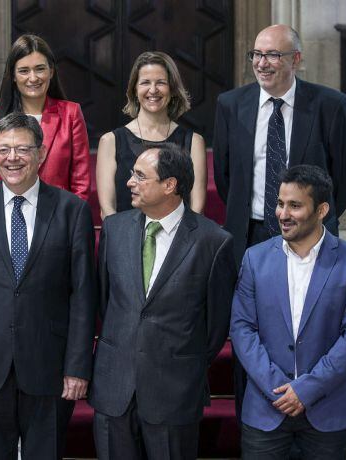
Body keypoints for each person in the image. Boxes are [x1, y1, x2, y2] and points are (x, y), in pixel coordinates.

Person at [212, 24, 346, 428]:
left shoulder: (330, 104)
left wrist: (309, 222)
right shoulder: (231, 104)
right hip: (252, 236)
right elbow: (227, 177)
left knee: (315, 330)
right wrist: (262, 217)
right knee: (254, 336)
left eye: (273, 55)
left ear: (296, 59)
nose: (263, 63)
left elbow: (345, 175)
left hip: (309, 237)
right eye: (257, 54)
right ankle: (260, 431)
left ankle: (315, 425)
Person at [0, 113, 96, 459]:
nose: (11, 157)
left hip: (50, 364)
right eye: (3, 149)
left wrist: (77, 366)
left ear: (41, 154)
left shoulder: (72, 210)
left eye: (22, 149)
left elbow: (83, 295)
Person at [90, 144, 236, 460]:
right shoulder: (114, 230)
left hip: (174, 392)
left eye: (140, 176)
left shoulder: (213, 242)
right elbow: (105, 301)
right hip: (115, 388)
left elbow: (215, 326)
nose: (129, 182)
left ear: (169, 185)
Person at [230, 165, 346, 459]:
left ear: (321, 210)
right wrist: (278, 389)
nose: (283, 214)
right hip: (266, 408)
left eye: (295, 206)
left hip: (328, 409)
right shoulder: (254, 258)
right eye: (280, 204)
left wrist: (306, 390)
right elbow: (242, 328)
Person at [0, 34, 91, 200]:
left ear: (51, 71)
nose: (33, 78)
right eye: (24, 71)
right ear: (13, 76)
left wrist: (71, 219)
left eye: (40, 69)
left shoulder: (70, 114)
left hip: (58, 215)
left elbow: (81, 182)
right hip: (9, 217)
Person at [96, 51, 207, 217]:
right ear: (134, 89)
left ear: (172, 88)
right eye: (145, 82)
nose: (153, 90)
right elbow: (107, 209)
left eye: (161, 82)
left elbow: (196, 208)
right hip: (125, 239)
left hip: (179, 240)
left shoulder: (194, 142)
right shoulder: (110, 141)